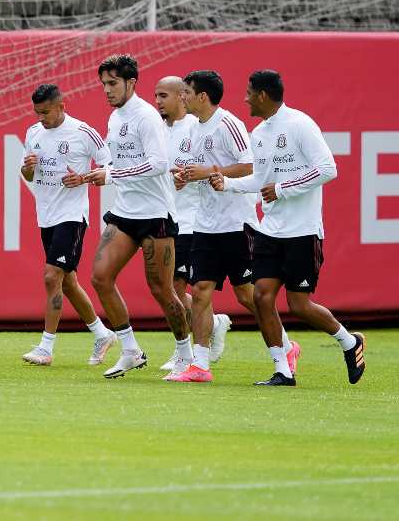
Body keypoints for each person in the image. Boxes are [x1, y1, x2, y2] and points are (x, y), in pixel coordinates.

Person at [210, 69, 364, 386]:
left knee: (299, 305)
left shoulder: (300, 124)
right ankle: (282, 369)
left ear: (263, 95)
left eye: (249, 93)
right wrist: (226, 184)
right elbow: (259, 180)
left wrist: (283, 188)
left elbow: (327, 169)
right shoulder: (259, 133)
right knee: (262, 298)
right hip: (270, 230)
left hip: (303, 230)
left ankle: (350, 342)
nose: (245, 99)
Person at [83, 54, 190, 379]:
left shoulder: (146, 116)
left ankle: (185, 355)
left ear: (131, 83)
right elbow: (118, 161)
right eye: (103, 84)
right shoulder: (116, 118)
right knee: (100, 277)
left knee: (161, 290)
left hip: (156, 214)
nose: (107, 90)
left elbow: (159, 163)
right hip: (125, 213)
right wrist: (102, 171)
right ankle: (130, 350)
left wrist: (111, 175)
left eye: (113, 83)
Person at [167, 69, 259, 382]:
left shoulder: (229, 123)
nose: (182, 97)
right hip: (205, 223)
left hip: (235, 220)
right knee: (201, 291)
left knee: (247, 296)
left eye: (186, 92)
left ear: (202, 96)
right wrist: (184, 177)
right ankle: (200, 365)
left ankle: (285, 344)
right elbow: (198, 171)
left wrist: (206, 171)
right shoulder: (194, 129)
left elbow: (249, 166)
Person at [18, 84, 115, 366]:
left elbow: (110, 166)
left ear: (62, 105)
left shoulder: (82, 132)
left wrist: (83, 178)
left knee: (51, 277)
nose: (41, 118)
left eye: (45, 112)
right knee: (68, 282)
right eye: (37, 113)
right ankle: (102, 333)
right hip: (45, 215)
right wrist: (28, 168)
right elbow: (27, 175)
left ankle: (46, 347)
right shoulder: (33, 133)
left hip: (72, 215)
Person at [153, 75, 231, 375]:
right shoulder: (159, 130)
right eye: (156, 96)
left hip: (194, 220)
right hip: (169, 217)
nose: (158, 101)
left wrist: (190, 177)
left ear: (181, 97)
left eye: (164, 95)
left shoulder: (196, 129)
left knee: (182, 287)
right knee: (171, 288)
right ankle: (212, 325)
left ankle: (187, 349)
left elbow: (209, 170)